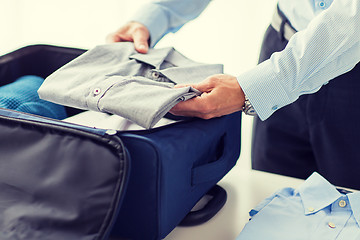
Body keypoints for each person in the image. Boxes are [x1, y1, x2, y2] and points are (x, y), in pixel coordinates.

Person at [106, 0, 360, 190]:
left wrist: (255, 88)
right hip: (282, 42)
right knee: (272, 192)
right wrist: (156, 15)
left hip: (349, 72)